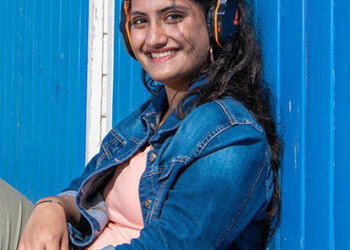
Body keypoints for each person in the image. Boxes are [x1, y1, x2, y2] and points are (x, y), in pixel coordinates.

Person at [1, 0, 282, 249]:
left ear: (216, 25)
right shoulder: (149, 117)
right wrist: (53, 206)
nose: (154, 37)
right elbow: (83, 189)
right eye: (140, 21)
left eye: (173, 16)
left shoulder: (232, 138)